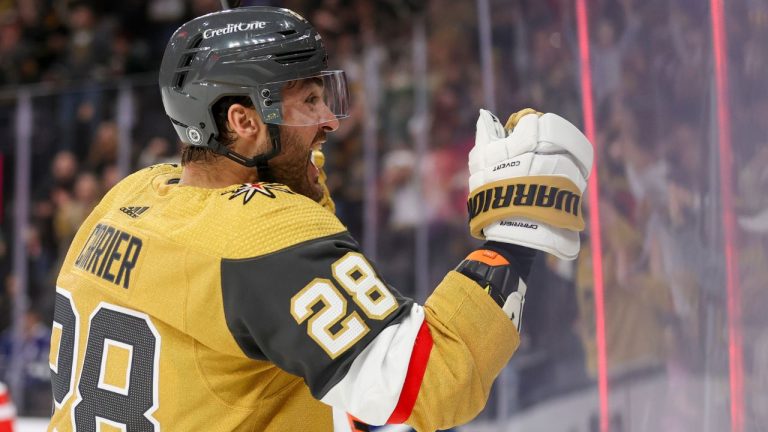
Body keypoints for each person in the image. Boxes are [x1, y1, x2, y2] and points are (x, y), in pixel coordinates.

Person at [47, 6, 592, 431]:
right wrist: (513, 239)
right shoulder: (261, 241)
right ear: (242, 120)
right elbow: (429, 383)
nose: (330, 119)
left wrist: (294, 157)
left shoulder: (131, 196)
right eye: (309, 100)